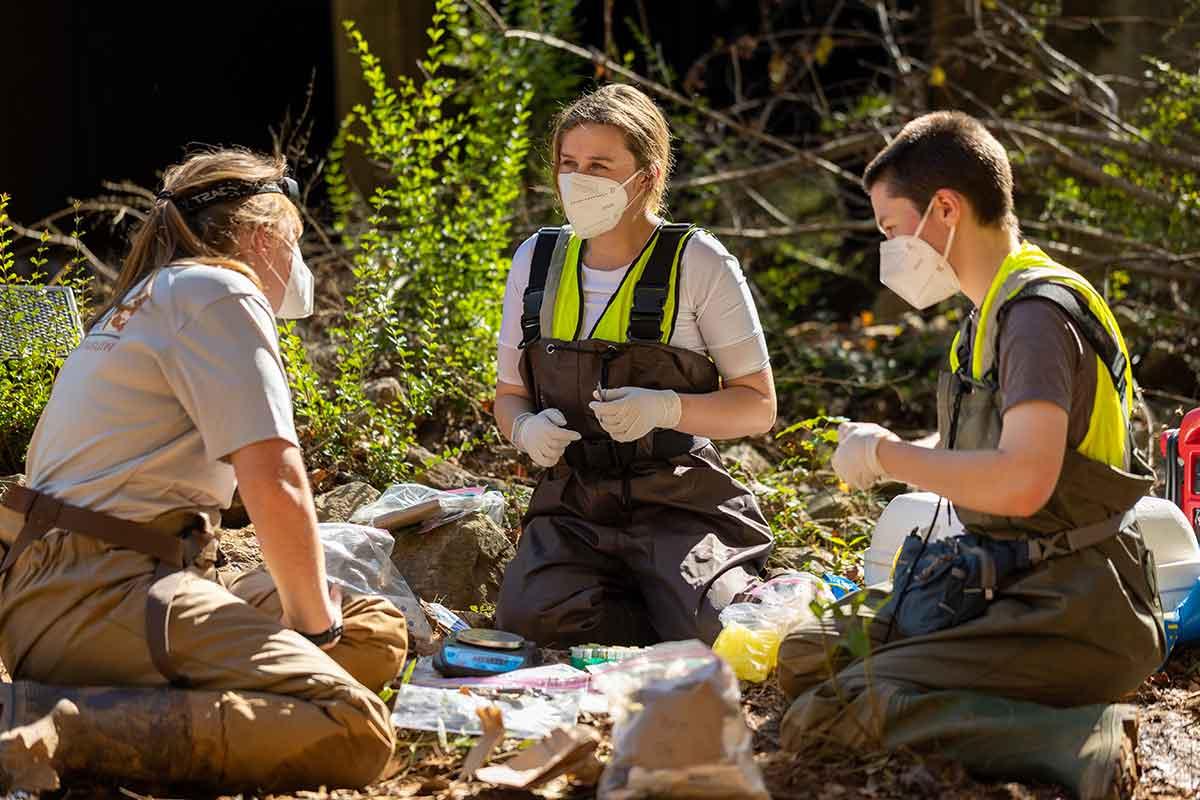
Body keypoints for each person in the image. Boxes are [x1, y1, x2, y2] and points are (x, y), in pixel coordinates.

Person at [776, 112, 1163, 800]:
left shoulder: (1037, 317)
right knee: (807, 657)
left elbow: (1021, 482)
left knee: (827, 714)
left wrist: (890, 457)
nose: (889, 248)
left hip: (1074, 607)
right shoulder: (988, 315)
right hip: (1005, 578)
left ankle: (1077, 741)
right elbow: (991, 448)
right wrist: (887, 448)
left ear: (946, 209)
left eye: (892, 228)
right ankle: (1016, 706)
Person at [0, 149, 407, 792]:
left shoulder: (157, 294)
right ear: (261, 232)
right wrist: (311, 626)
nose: (298, 260)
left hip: (84, 582)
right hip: (100, 591)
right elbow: (274, 479)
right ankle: (57, 723)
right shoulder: (220, 288)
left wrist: (314, 626)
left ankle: (126, 701)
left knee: (377, 635)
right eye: (296, 236)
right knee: (353, 729)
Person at [492, 84, 776, 647]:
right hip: (573, 504)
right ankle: (650, 607)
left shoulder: (699, 261)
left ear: (646, 175)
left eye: (599, 165)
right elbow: (508, 395)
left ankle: (687, 598)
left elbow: (759, 406)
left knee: (725, 635)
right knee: (531, 626)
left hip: (678, 502)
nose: (578, 180)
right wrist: (525, 428)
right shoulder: (536, 260)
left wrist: (668, 408)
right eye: (568, 164)